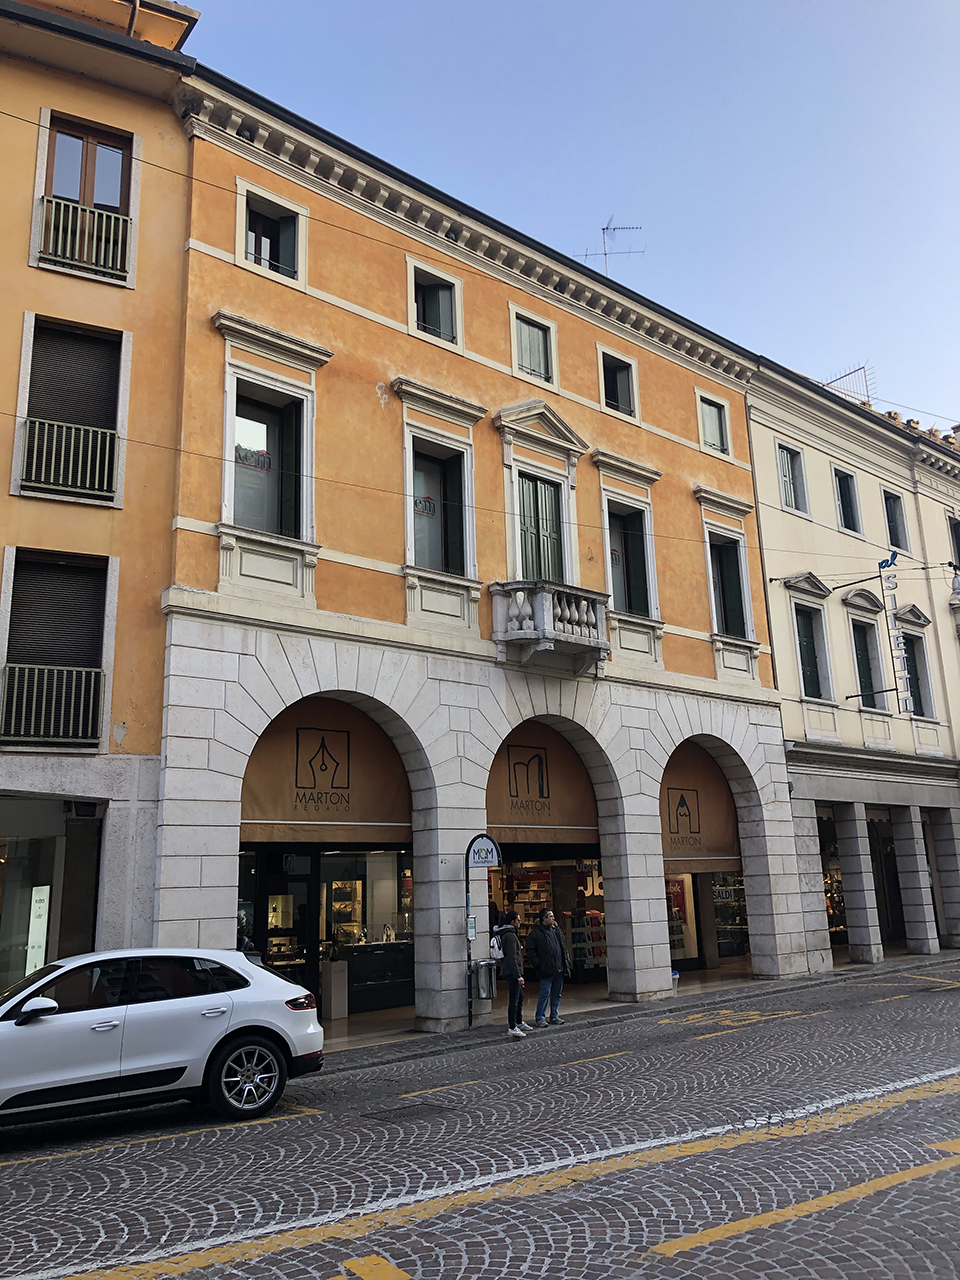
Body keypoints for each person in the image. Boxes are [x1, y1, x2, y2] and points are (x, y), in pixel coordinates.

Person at [525, 907, 571, 1027]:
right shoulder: (535, 934)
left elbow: (562, 944)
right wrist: (539, 965)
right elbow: (530, 952)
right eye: (550, 916)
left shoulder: (555, 931)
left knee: (557, 993)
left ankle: (554, 1015)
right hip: (546, 969)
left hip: (558, 967)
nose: (553, 918)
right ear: (543, 919)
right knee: (545, 993)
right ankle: (540, 1017)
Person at [494, 910, 533, 1038]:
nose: (520, 923)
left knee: (520, 997)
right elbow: (512, 957)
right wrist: (518, 975)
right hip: (512, 972)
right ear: (512, 922)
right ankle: (512, 1026)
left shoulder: (508, 934)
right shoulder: (510, 936)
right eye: (518, 920)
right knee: (514, 999)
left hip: (511, 971)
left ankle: (518, 1021)